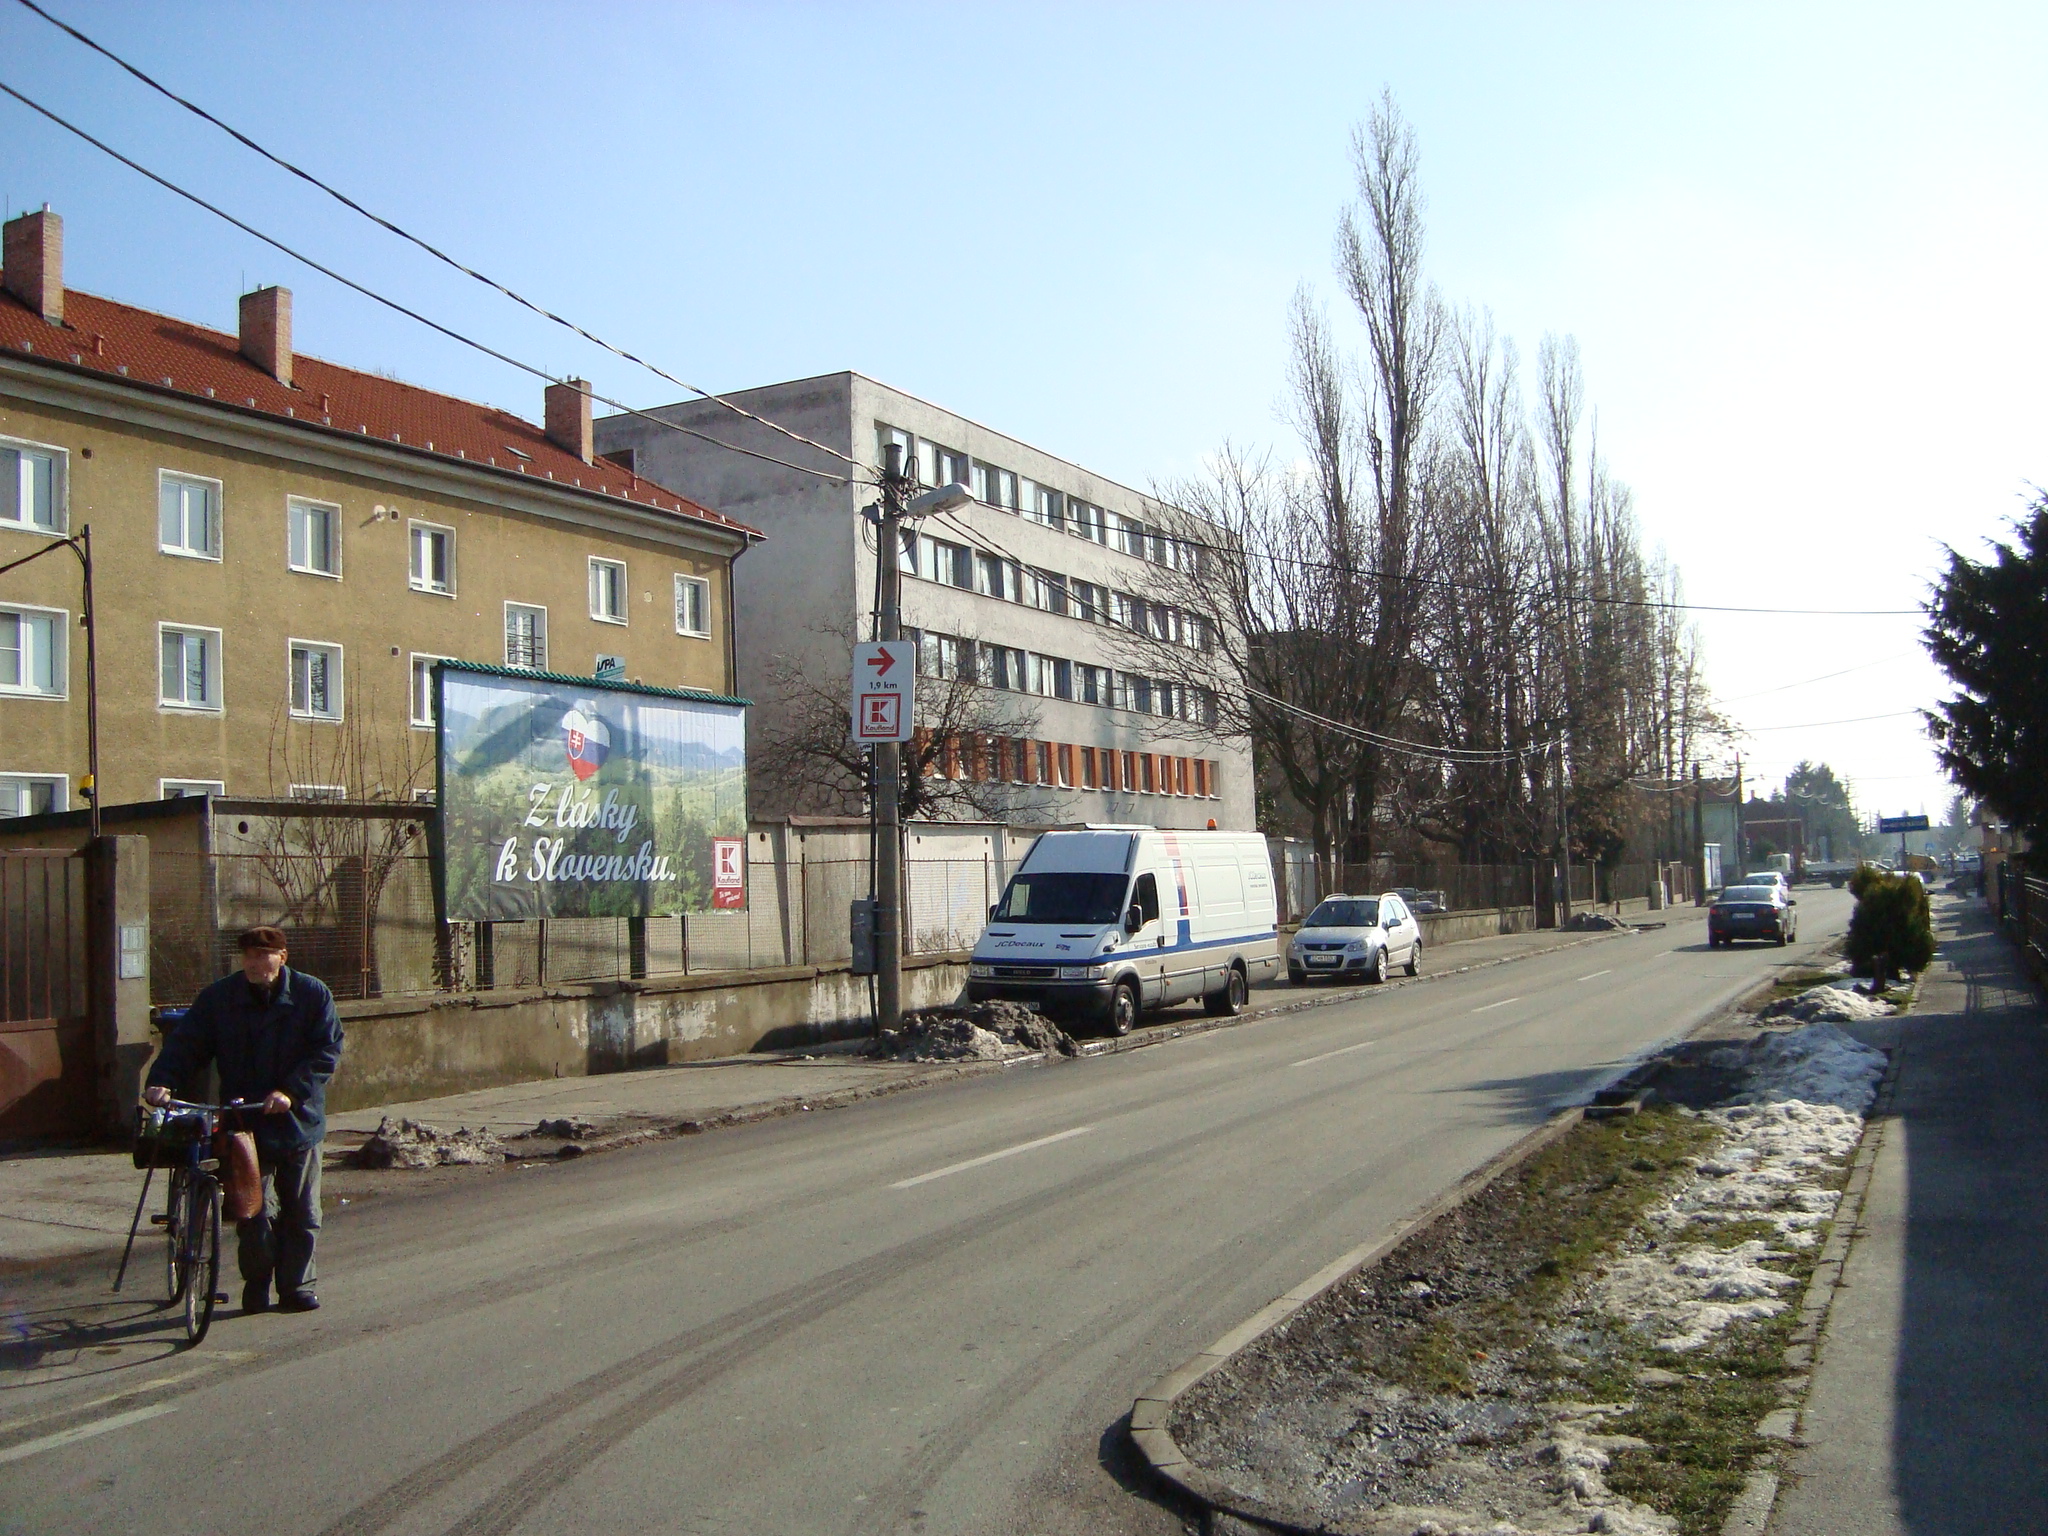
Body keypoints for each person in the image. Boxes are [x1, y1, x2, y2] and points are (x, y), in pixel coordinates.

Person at [145, 926, 343, 1315]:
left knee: (302, 1212)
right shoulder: (220, 999)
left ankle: (297, 1287)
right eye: (248, 958)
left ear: (282, 958)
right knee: (253, 1211)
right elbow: (187, 1044)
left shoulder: (311, 994)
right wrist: (162, 1082)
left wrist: (290, 1091)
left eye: (263, 957)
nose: (254, 965)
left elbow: (327, 1050)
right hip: (245, 1122)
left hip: (298, 1121)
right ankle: (257, 1284)